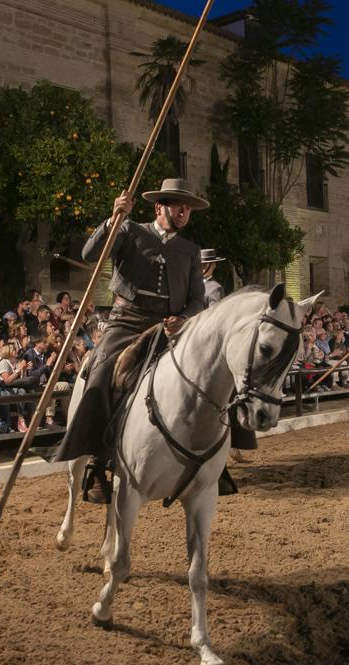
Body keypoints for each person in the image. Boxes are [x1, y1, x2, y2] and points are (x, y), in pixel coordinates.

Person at [56, 178, 210, 504]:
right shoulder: (129, 230)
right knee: (99, 372)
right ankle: (97, 461)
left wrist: (182, 318)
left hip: (167, 327)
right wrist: (114, 219)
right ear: (159, 207)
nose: (184, 212)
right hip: (126, 321)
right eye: (177, 205)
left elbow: (199, 299)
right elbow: (90, 253)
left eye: (187, 208)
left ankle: (212, 463)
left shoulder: (191, 251)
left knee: (209, 373)